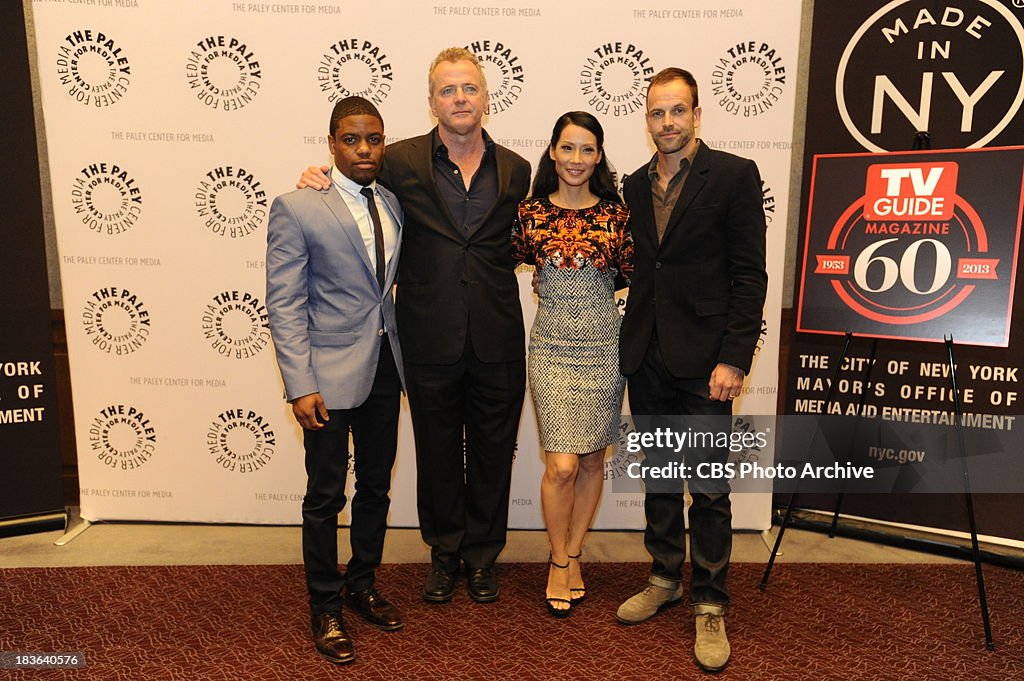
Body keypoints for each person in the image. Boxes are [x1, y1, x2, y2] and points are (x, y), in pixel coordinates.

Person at [298, 48, 532, 604]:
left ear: (486, 98)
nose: (460, 99)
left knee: (495, 452)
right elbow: (349, 187)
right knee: (437, 451)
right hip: (426, 339)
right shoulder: (397, 161)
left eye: (469, 89)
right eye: (448, 91)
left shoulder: (518, 169)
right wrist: (316, 175)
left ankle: (482, 556)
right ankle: (444, 552)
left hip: (498, 336)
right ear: (431, 102)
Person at [614, 68, 768, 673]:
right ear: (646, 119)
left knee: (706, 486)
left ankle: (708, 600)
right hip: (645, 354)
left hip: (707, 362)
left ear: (697, 115)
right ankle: (663, 576)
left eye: (679, 111)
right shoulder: (630, 185)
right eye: (657, 113)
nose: (668, 123)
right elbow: (564, 190)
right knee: (657, 476)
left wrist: (734, 356)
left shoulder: (733, 175)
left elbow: (749, 275)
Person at [266, 96, 404, 665]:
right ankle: (324, 605)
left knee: (375, 487)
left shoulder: (393, 202)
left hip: (385, 368)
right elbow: (284, 302)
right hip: (324, 377)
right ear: (331, 144)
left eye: (373, 139)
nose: (364, 149)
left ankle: (362, 583)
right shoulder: (298, 207)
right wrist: (300, 384)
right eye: (351, 140)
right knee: (325, 496)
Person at [511, 111, 632, 617]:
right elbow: (500, 261)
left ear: (598, 155)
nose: (576, 159)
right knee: (561, 465)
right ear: (553, 153)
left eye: (587, 149)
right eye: (567, 148)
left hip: (605, 350)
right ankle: (558, 559)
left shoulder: (617, 215)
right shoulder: (530, 213)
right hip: (552, 351)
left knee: (590, 460)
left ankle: (575, 551)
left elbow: (636, 279)